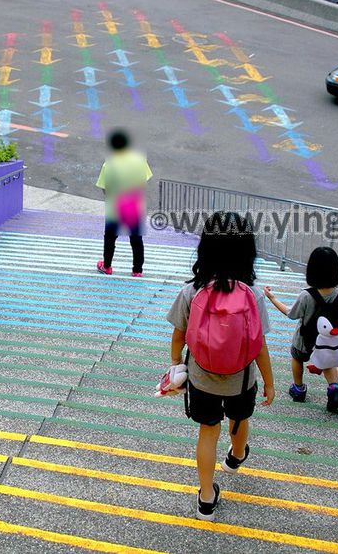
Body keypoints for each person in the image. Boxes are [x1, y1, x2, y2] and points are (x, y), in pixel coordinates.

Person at [166, 213, 275, 521]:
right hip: (241, 379)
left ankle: (205, 498)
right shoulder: (252, 296)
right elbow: (261, 347)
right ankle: (237, 456)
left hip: (202, 379)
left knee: (207, 431)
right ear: (247, 252)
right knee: (238, 421)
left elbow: (178, 336)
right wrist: (269, 382)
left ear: (205, 249)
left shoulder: (192, 291)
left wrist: (175, 366)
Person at [264, 246, 338, 412]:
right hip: (328, 343)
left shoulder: (306, 296)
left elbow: (290, 314)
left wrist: (272, 298)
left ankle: (298, 388)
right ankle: (334, 389)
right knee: (328, 363)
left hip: (305, 340)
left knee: (297, 358)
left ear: (312, 271)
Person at [95, 130, 152, 277]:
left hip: (116, 205)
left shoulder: (109, 164)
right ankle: (137, 270)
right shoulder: (140, 160)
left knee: (110, 237)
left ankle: (107, 266)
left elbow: (105, 188)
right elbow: (144, 180)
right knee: (136, 239)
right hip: (133, 204)